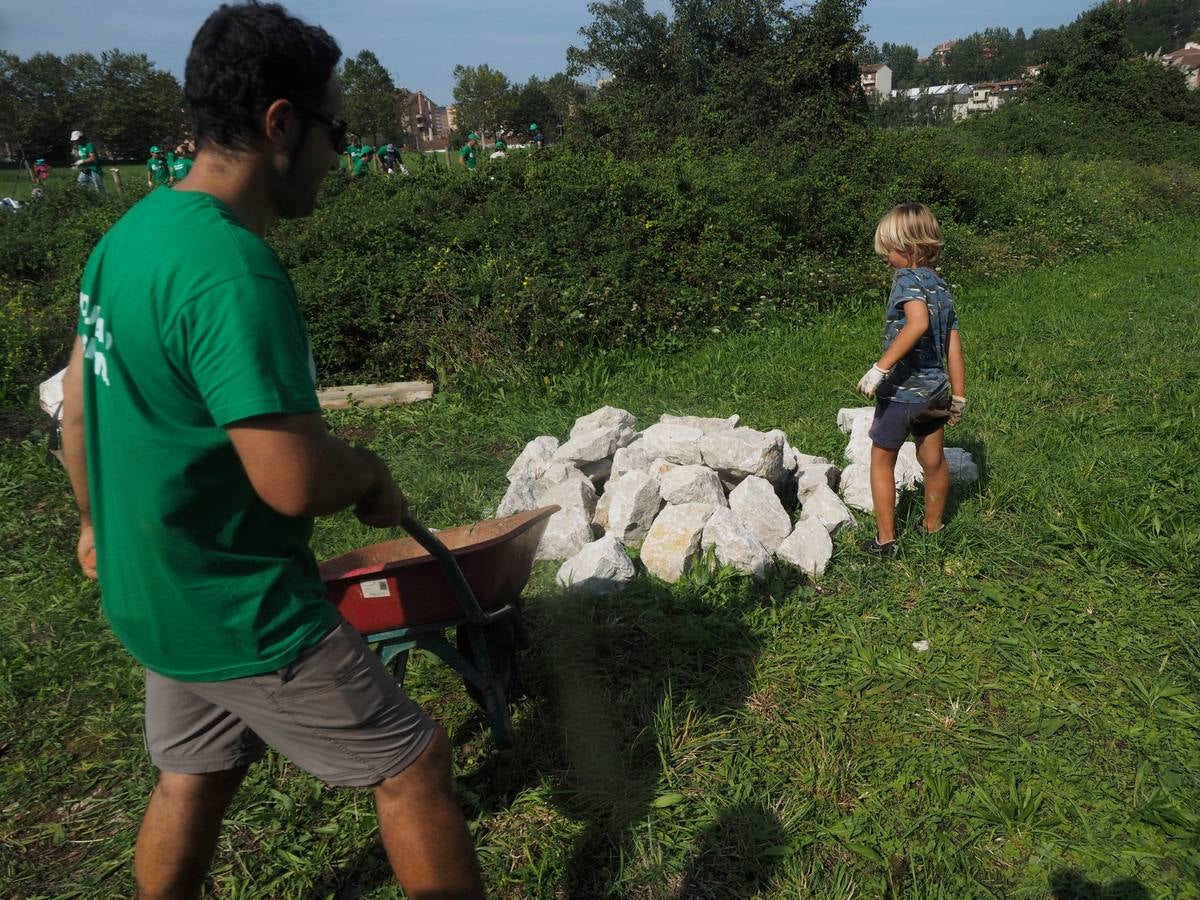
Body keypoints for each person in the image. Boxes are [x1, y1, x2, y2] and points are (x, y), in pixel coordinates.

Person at [59, 4, 486, 898]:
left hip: (152, 591)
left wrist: (97, 524)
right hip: (235, 604)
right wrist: (366, 468)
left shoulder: (127, 239)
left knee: (198, 774)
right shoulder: (232, 270)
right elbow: (291, 481)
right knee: (412, 763)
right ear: (281, 124)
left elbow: (74, 419)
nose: (340, 154)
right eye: (336, 128)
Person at [855, 203, 966, 557]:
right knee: (932, 461)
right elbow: (953, 344)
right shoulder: (941, 285)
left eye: (888, 249)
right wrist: (958, 396)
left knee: (881, 460)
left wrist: (880, 368)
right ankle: (933, 527)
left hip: (904, 393)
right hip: (936, 392)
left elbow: (916, 324)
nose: (885, 257)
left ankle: (885, 541)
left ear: (911, 247)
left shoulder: (906, 280)